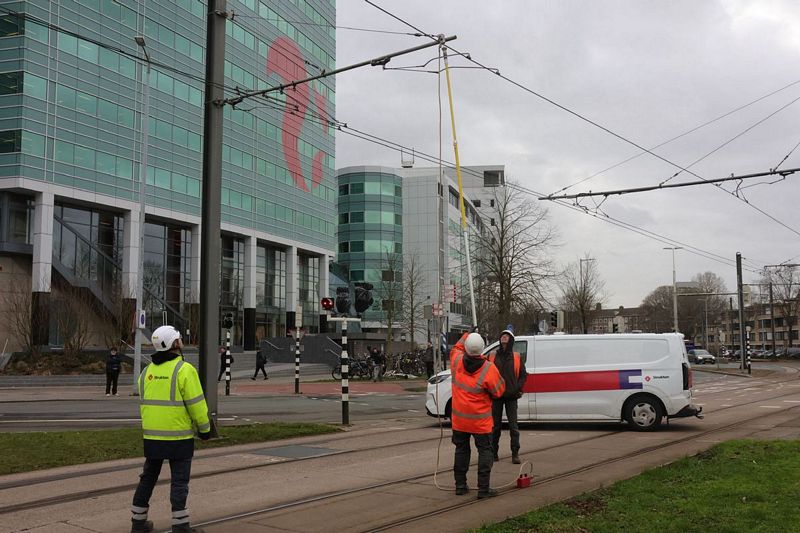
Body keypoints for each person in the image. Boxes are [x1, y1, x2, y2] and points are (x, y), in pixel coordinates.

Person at [130, 325, 210, 533]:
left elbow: (145, 399)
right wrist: (205, 429)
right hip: (179, 437)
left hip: (152, 437)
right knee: (179, 481)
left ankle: (138, 523)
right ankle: (180, 526)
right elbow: (197, 404)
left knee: (148, 477)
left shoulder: (147, 371)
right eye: (180, 338)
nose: (182, 341)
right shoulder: (184, 369)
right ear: (175, 344)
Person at [450, 331, 505, 499]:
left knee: (461, 450)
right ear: (482, 350)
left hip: (459, 421)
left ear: (466, 348)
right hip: (480, 422)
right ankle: (483, 488)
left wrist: (467, 333)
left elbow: (456, 347)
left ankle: (460, 485)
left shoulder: (457, 360)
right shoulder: (489, 368)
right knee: (485, 452)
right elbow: (498, 392)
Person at [489, 327, 528, 465]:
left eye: (507, 335)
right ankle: (493, 453)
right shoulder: (493, 356)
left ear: (511, 339)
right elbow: (487, 373)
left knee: (513, 427)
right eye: (502, 335)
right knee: (495, 427)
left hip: (511, 396)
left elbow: (523, 375)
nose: (504, 337)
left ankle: (515, 453)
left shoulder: (516, 357)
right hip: (496, 396)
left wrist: (517, 388)